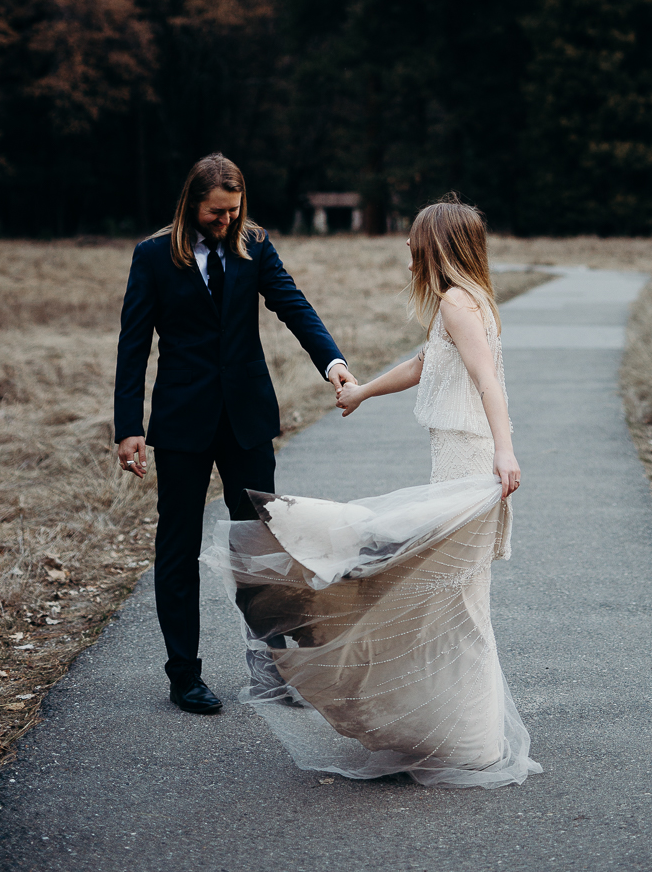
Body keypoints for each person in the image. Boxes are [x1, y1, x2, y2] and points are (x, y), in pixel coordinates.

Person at [205, 196, 541, 787]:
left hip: (468, 461)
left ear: (437, 246)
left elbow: (488, 382)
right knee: (447, 598)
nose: (408, 250)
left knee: (452, 600)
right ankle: (462, 733)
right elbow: (423, 363)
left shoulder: (459, 303)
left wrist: (504, 451)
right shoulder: (461, 303)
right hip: (459, 458)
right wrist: (361, 393)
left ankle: (470, 737)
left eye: (415, 241)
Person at [114, 152, 356, 715]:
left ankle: (274, 669)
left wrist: (333, 363)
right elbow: (133, 345)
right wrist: (129, 427)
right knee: (176, 547)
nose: (226, 221)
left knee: (260, 548)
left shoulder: (254, 243)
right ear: (191, 205)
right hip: (180, 423)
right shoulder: (152, 257)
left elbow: (292, 304)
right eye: (216, 212)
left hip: (245, 419)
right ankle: (184, 676)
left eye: (234, 210)